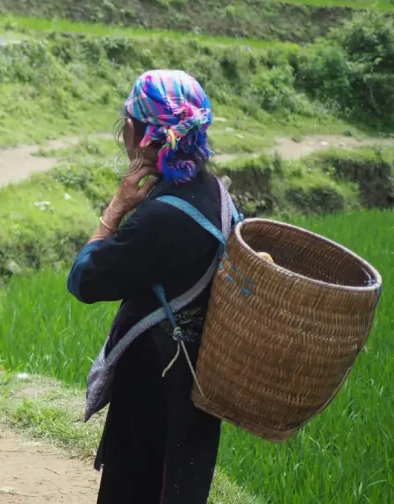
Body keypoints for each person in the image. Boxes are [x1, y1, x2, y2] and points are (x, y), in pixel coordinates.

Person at [66, 69, 240, 503]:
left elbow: (85, 279)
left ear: (136, 132)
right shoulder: (217, 195)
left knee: (136, 485)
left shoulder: (157, 217)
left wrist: (116, 208)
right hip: (198, 379)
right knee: (180, 485)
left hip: (154, 383)